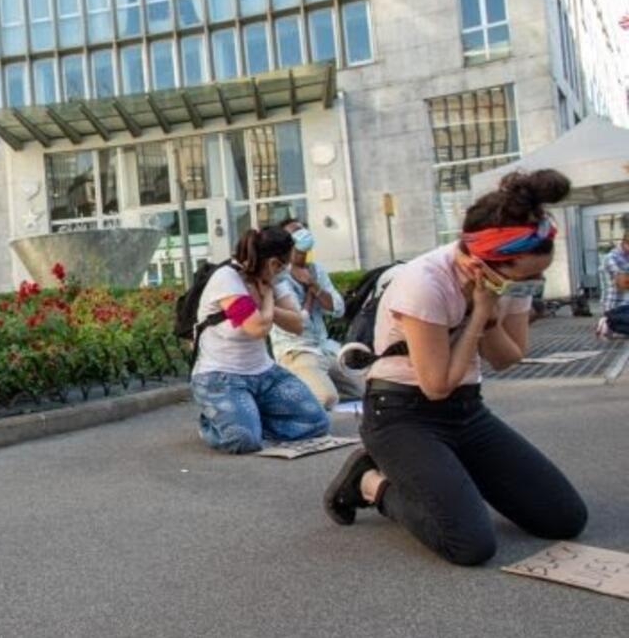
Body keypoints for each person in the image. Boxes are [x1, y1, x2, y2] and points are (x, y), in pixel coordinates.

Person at [324, 169, 587, 566]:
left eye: (539, 277)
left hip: (467, 411)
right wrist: (478, 314)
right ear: (484, 264)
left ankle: (448, 471)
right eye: (526, 278)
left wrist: (492, 312)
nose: (533, 287)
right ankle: (369, 482)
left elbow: (507, 356)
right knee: (470, 544)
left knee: (565, 518)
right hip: (401, 415)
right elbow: (436, 385)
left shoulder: (510, 279)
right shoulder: (425, 282)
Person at [190, 226, 330, 454]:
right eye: (282, 266)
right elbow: (256, 328)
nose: (282, 273)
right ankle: (212, 423)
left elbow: (297, 324)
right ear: (273, 263)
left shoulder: (275, 279)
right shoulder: (227, 279)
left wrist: (266, 305)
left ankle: (248, 418)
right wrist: (266, 299)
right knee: (243, 441)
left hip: (264, 374)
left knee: (316, 422)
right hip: (220, 377)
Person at [270, 219, 364, 410]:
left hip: (324, 348)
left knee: (370, 388)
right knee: (326, 398)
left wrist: (314, 286)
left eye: (303, 229)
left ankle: (316, 380)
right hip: (297, 351)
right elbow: (298, 323)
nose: (302, 233)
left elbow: (338, 308)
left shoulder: (316, 270)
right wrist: (311, 294)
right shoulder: (279, 276)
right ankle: (287, 394)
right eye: (295, 232)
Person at [597, 229, 629, 337]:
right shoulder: (611, 258)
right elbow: (623, 284)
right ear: (625, 244)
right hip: (615, 306)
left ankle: (612, 326)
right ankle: (608, 323)